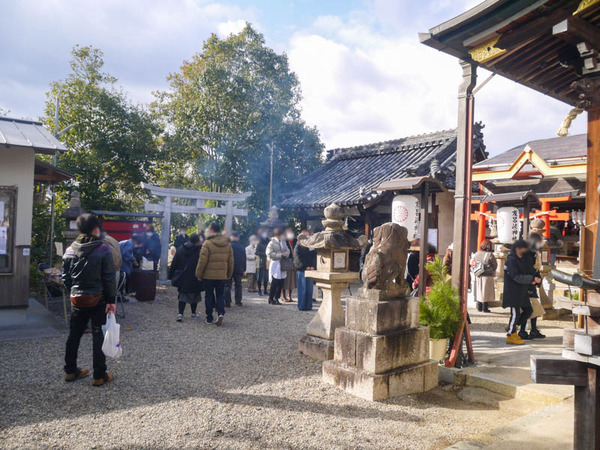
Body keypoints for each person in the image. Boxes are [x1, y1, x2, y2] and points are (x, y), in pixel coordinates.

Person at [62, 213, 116, 386]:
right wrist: (111, 300)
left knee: (74, 334)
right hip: (97, 298)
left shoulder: (70, 249)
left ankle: (70, 371)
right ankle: (99, 375)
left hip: (77, 299)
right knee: (98, 335)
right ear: (95, 228)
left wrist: (73, 291)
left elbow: (66, 277)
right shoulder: (103, 249)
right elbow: (109, 277)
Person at [195, 222, 233, 326]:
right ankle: (220, 313)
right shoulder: (227, 244)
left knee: (209, 295)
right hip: (222, 275)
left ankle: (209, 317)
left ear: (211, 231)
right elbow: (230, 261)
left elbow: (202, 261)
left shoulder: (207, 243)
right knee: (220, 295)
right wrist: (229, 273)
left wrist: (198, 273)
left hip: (208, 275)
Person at [503, 239, 540, 345]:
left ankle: (512, 326)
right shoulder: (511, 259)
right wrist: (531, 279)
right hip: (513, 290)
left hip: (522, 290)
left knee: (528, 310)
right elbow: (515, 276)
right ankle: (511, 335)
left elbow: (529, 270)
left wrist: (535, 279)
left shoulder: (522, 259)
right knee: (515, 313)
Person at [169, 233, 203, 322]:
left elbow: (174, 263)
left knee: (182, 296)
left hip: (183, 277)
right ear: (197, 241)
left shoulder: (180, 249)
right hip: (195, 276)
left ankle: (180, 314)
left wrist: (171, 275)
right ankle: (193, 313)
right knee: (195, 295)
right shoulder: (199, 251)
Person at [525, 233, 546, 339]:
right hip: (527, 284)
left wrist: (538, 281)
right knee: (532, 308)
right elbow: (527, 269)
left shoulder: (535, 252)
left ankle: (533, 329)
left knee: (533, 309)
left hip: (532, 283)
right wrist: (532, 280)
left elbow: (536, 270)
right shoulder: (528, 253)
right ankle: (521, 331)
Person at [471, 239, 497, 313]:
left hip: (478, 274)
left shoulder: (476, 254)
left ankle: (479, 307)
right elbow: (495, 265)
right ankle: (485, 308)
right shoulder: (489, 255)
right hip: (487, 275)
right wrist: (491, 270)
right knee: (486, 292)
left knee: (479, 291)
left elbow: (473, 263)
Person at [266, 228, 290, 305]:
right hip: (275, 263)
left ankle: (277, 298)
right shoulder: (271, 243)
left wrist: (286, 254)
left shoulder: (284, 242)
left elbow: (288, 250)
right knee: (274, 282)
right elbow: (269, 253)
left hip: (282, 263)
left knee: (281, 282)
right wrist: (280, 255)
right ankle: (271, 298)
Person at [294, 231, 317, 311]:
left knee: (309, 289)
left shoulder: (309, 247)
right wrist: (304, 267)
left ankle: (308, 306)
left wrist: (312, 266)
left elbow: (313, 256)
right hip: (302, 270)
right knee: (302, 289)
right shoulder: (297, 247)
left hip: (309, 270)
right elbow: (297, 259)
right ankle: (301, 306)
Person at [225, 231, 246, 307]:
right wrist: (244, 268)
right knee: (238, 285)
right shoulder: (241, 246)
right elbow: (244, 258)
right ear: (238, 237)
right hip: (239, 268)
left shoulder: (228, 246)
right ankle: (238, 301)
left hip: (228, 268)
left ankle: (227, 302)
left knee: (227, 285)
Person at [282, 228, 297, 302]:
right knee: (284, 279)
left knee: (291, 280)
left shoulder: (296, 241)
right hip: (286, 261)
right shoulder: (284, 241)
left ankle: (289, 295)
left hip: (293, 262)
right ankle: (283, 296)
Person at [255, 229, 270, 296]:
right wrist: (265, 254)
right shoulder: (259, 243)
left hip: (267, 261)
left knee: (266, 277)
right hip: (260, 261)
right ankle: (259, 290)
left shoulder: (269, 242)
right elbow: (256, 252)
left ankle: (265, 290)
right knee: (260, 277)